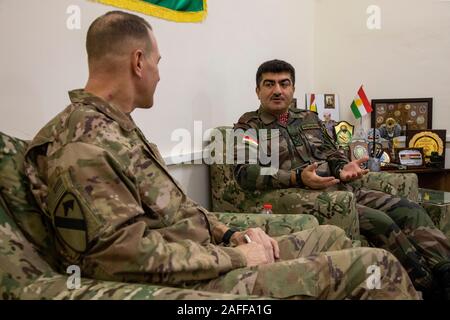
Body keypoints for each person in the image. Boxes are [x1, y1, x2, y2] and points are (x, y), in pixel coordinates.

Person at [23, 12, 419, 300]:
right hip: (189, 282)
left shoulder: (119, 128)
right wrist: (234, 255)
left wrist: (231, 233)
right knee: (376, 268)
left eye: (285, 84)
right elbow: (117, 257)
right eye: (158, 63)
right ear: (138, 62)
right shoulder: (82, 144)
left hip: (206, 253)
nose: (159, 74)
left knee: (335, 233)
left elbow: (178, 211)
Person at [233, 59, 450, 299]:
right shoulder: (247, 126)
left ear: (293, 89)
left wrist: (342, 167)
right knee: (381, 221)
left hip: (341, 187)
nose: (277, 90)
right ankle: (430, 287)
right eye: (269, 84)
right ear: (258, 90)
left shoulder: (309, 118)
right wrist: (296, 177)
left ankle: (446, 272)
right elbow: (245, 173)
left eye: (284, 84)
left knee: (408, 209)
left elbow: (331, 151)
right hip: (308, 197)